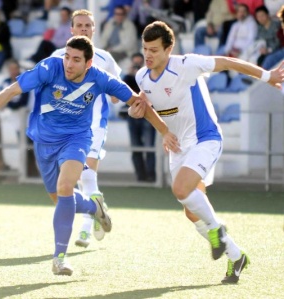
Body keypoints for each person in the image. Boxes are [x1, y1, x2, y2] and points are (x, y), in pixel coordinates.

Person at [0, 35, 174, 276]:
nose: (68, 64)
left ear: (88, 64)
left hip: (76, 139)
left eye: (76, 60)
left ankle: (59, 258)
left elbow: (137, 101)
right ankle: (93, 207)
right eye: (67, 57)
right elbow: (13, 89)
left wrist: (164, 131)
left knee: (66, 186)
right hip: (44, 141)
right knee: (59, 198)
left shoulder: (100, 78)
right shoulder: (50, 67)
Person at [131, 21, 284, 284]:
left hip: (206, 139)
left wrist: (267, 76)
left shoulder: (187, 65)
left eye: (154, 50)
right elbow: (147, 106)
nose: (148, 55)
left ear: (169, 49)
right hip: (179, 146)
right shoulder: (141, 77)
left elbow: (228, 62)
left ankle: (217, 230)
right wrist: (162, 130)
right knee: (192, 211)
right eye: (145, 49)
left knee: (180, 190)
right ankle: (236, 256)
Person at [51, 9, 122, 248]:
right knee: (69, 182)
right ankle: (97, 211)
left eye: (88, 25)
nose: (84, 28)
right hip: (64, 128)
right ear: (71, 29)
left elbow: (116, 95)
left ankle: (84, 229)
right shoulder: (58, 57)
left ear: (94, 29)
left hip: (94, 126)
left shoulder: (104, 59)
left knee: (87, 174)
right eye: (79, 25)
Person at [122, 53, 156, 182]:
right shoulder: (129, 78)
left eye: (139, 64)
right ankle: (140, 176)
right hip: (133, 115)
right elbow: (123, 92)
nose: (137, 66)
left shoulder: (148, 76)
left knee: (149, 147)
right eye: (135, 63)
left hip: (148, 114)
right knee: (136, 146)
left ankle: (151, 175)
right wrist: (130, 75)